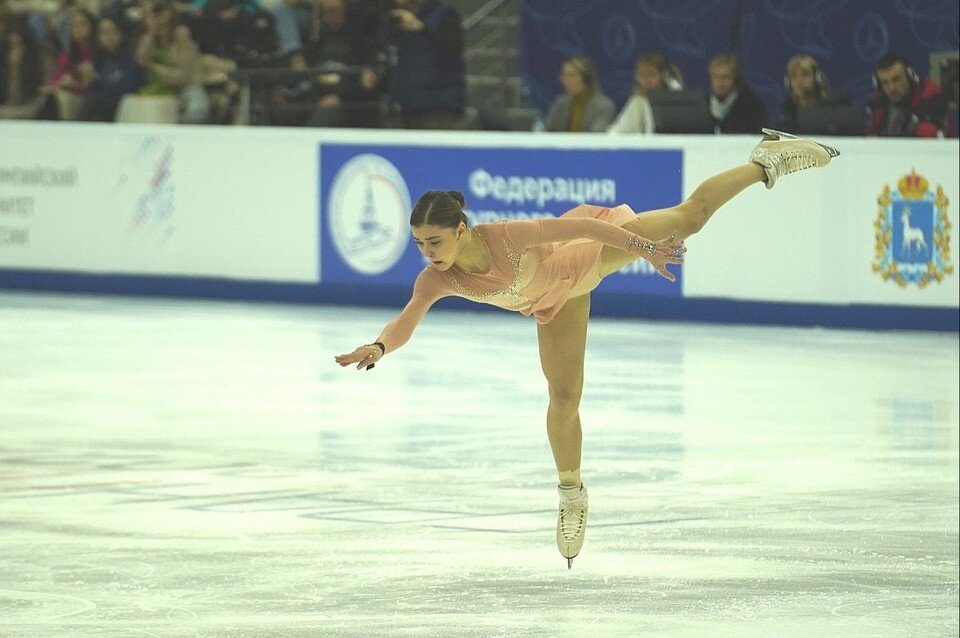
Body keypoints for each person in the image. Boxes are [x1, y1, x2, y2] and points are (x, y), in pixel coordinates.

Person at [334, 128, 840, 568]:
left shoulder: (506, 237)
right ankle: (571, 493)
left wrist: (643, 249)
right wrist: (380, 346)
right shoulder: (435, 279)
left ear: (461, 229)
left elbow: (583, 228)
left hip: (587, 253)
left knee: (691, 217)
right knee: (563, 401)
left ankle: (766, 159)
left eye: (435, 242)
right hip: (555, 302)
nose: (428, 253)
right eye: (421, 244)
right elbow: (407, 319)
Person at [386, 0, 466, 129]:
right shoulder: (397, 19)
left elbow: (453, 46)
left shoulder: (445, 14)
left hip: (438, 105)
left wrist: (421, 28)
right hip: (406, 104)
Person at [136, 0, 210, 123]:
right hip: (158, 89)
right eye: (151, 14)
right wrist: (150, 33)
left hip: (185, 89)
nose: (157, 18)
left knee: (194, 110)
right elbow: (141, 60)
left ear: (169, 12)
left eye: (159, 12)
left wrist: (153, 67)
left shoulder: (181, 34)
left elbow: (184, 76)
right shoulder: (148, 37)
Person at [75, 15, 145, 121]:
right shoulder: (100, 58)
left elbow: (128, 87)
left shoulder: (130, 58)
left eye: (112, 31)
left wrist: (98, 83)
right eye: (103, 32)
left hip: (122, 103)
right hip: (102, 104)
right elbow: (92, 89)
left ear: (121, 33)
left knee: (94, 102)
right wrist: (89, 81)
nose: (108, 36)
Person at [867, 53, 954, 138]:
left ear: (910, 77)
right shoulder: (877, 103)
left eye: (897, 79)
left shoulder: (931, 97)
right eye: (885, 83)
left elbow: (930, 138)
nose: (891, 88)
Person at [772, 54, 852, 132]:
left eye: (805, 75)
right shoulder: (786, 110)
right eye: (794, 77)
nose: (799, 81)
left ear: (817, 79)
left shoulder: (834, 106)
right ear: (788, 82)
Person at [608, 52, 683, 134]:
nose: (646, 81)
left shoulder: (678, 99)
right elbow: (618, 131)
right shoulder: (638, 100)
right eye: (641, 75)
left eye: (651, 74)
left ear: (665, 76)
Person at [543, 55, 615, 133]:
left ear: (586, 79)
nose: (564, 81)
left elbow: (596, 138)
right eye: (564, 75)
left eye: (571, 75)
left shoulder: (603, 107)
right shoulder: (561, 103)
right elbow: (547, 133)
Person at [707, 52, 766, 134]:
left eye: (726, 77)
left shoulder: (750, 105)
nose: (720, 82)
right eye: (716, 77)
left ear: (736, 79)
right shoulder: (704, 104)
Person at [0, 24, 45, 119]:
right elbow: (6, 99)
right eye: (11, 45)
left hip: (28, 119)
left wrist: (17, 71)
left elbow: (34, 106)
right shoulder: (2, 66)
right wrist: (12, 70)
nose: (14, 50)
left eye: (18, 45)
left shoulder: (35, 68)